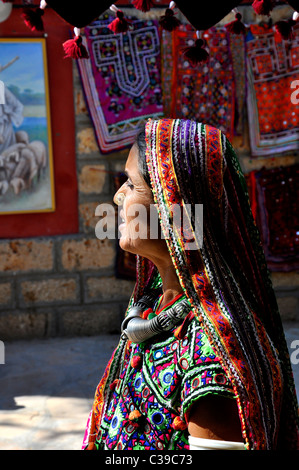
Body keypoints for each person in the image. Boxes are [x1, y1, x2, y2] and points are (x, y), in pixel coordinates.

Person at [83, 118, 299, 450]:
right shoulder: (155, 303)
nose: (116, 197)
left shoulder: (211, 355)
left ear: (174, 205)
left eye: (130, 183)